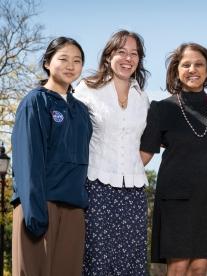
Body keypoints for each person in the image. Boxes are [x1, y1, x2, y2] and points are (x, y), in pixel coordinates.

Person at [140, 42, 207, 276]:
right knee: (179, 267)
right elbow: (144, 154)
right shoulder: (161, 109)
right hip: (176, 199)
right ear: (176, 71)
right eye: (186, 65)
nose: (193, 69)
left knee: (199, 268)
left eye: (199, 64)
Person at [11, 37, 91, 276]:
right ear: (47, 62)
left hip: (73, 209)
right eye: (63, 59)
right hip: (38, 205)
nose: (70, 66)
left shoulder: (81, 111)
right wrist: (35, 213)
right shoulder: (35, 102)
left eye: (77, 61)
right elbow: (28, 159)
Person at [73, 30, 150, 275]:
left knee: (131, 260)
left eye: (134, 53)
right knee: (96, 259)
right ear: (108, 56)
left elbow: (146, 144)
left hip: (134, 192)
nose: (128, 58)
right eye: (121, 52)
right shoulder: (86, 90)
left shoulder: (143, 98)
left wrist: (135, 164)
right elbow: (73, 137)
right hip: (96, 188)